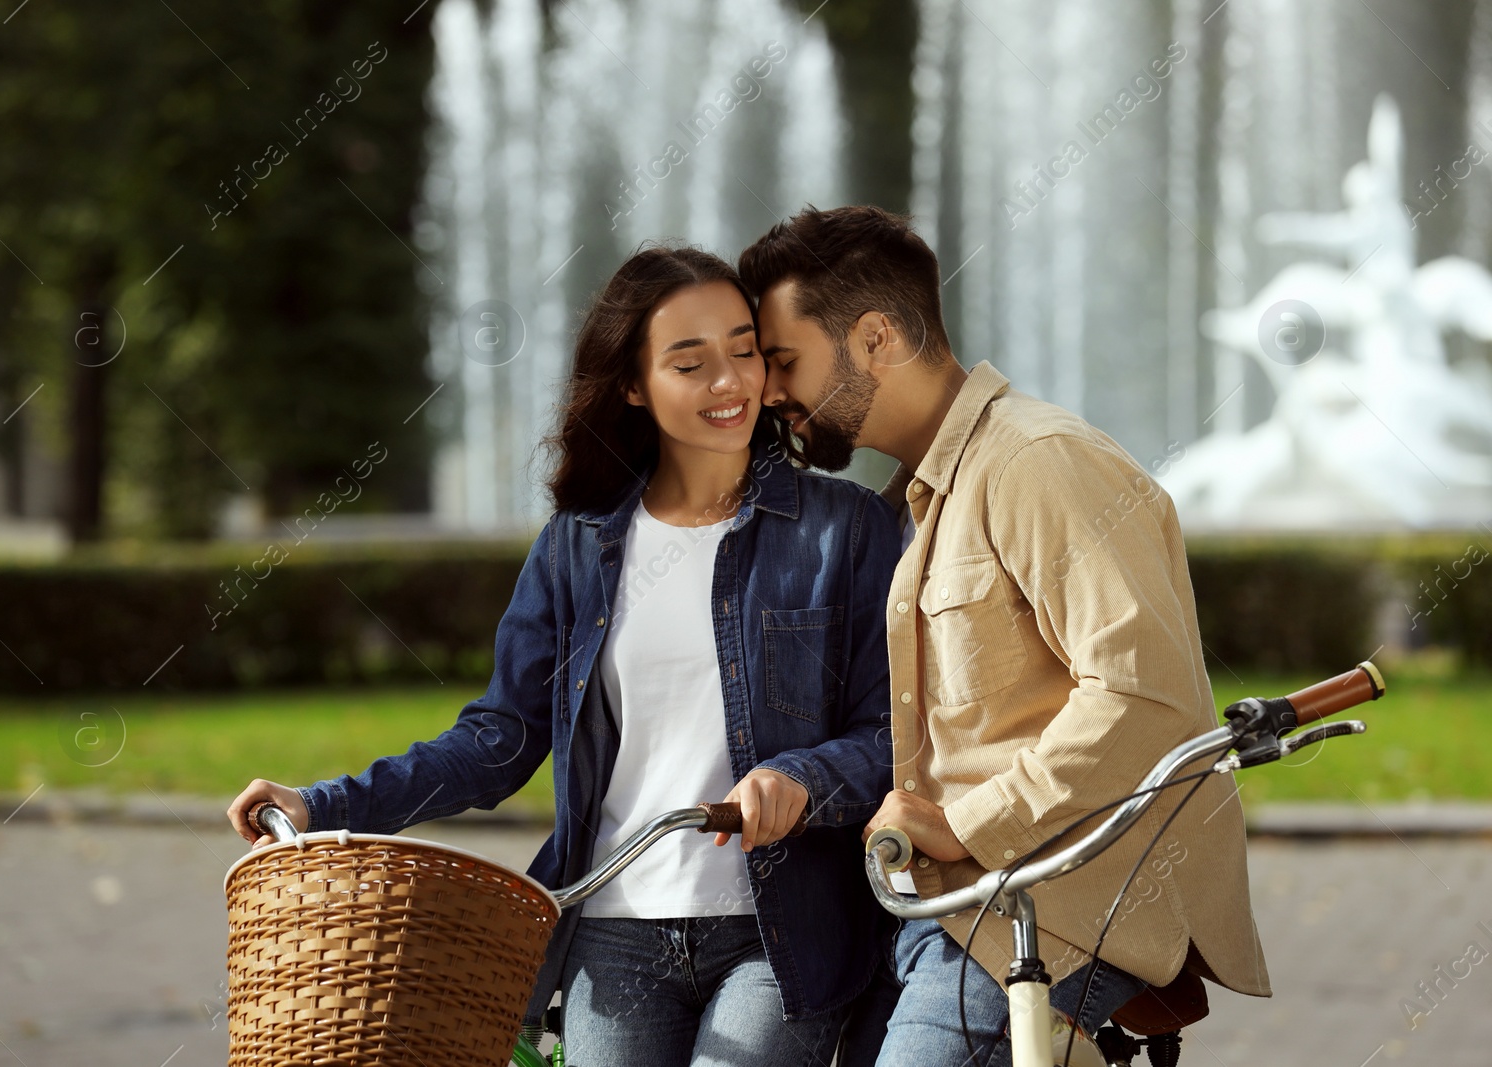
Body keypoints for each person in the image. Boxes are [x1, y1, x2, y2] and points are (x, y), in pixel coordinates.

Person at [226, 245, 900, 1067]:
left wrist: (803, 777)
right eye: (690, 363)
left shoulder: (848, 529)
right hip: (611, 932)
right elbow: (498, 737)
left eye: (744, 349)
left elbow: (891, 733)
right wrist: (322, 805)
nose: (731, 382)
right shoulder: (578, 545)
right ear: (631, 384)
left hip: (781, 933)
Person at [738, 206, 1272, 1066]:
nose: (768, 391)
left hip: (1050, 916)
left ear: (875, 337)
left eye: (784, 360)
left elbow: (1146, 695)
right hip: (948, 910)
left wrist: (973, 824)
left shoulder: (1037, 461)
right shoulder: (914, 499)